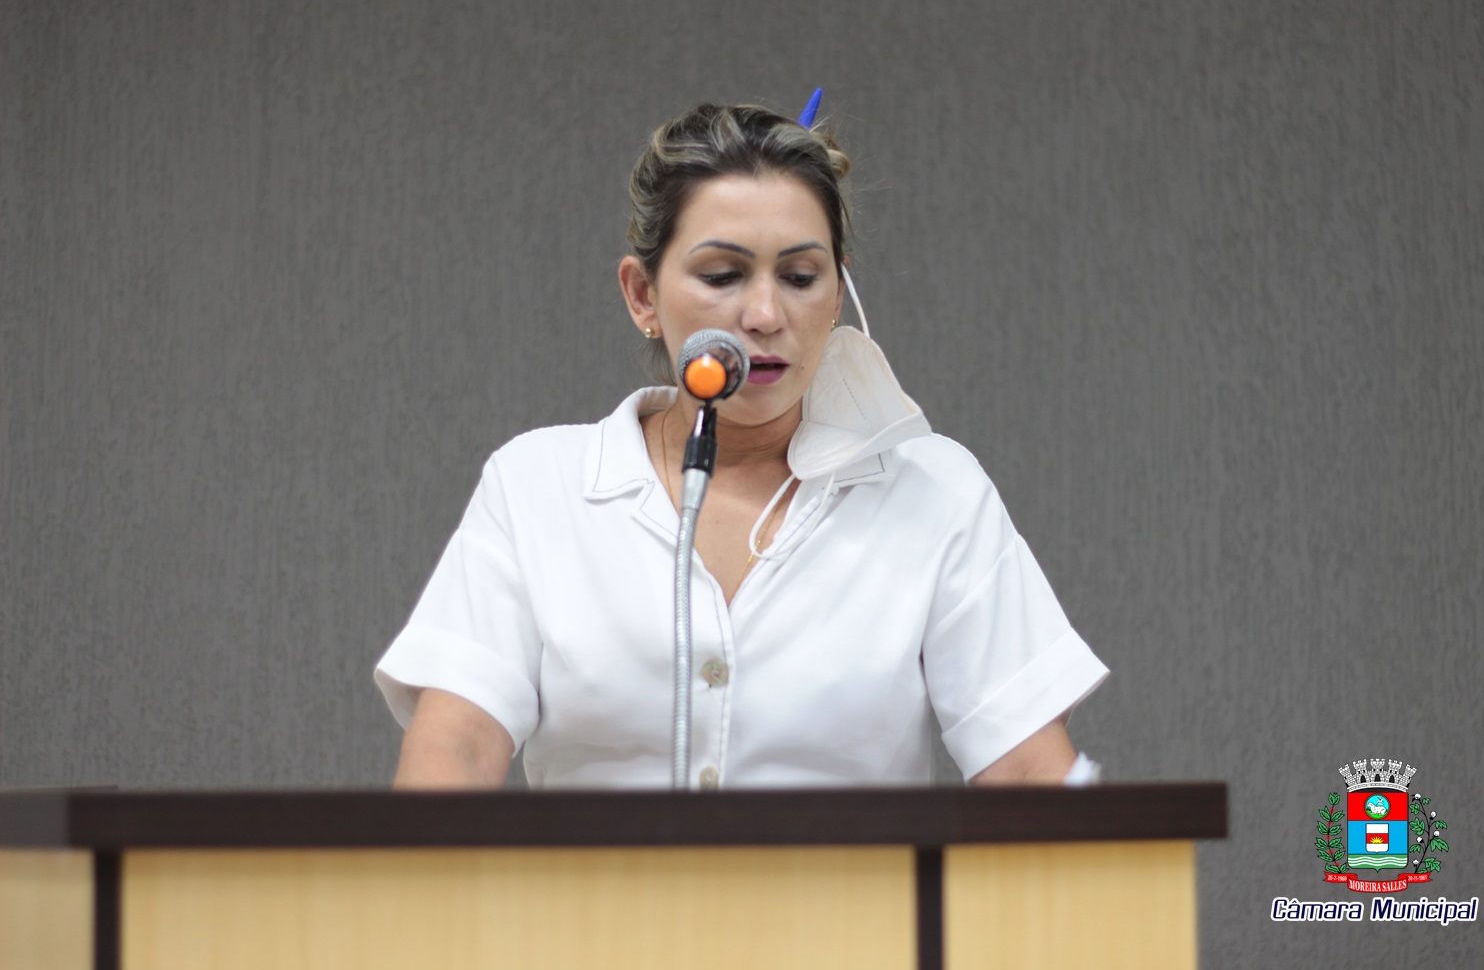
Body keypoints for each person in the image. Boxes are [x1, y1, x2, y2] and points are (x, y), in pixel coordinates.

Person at [375, 99, 1108, 790]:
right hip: (602, 893)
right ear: (641, 296)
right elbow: (456, 747)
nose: (763, 314)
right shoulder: (538, 486)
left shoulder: (932, 491)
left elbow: (1029, 773)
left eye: (800, 277)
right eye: (723, 275)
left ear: (838, 292)